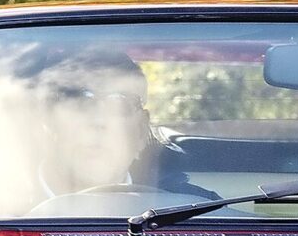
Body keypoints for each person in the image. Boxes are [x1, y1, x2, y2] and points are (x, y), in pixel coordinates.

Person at [29, 48, 216, 203]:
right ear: (46, 120)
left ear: (142, 131)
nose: (98, 122)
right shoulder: (3, 211)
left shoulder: (195, 212)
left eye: (119, 104)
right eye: (80, 102)